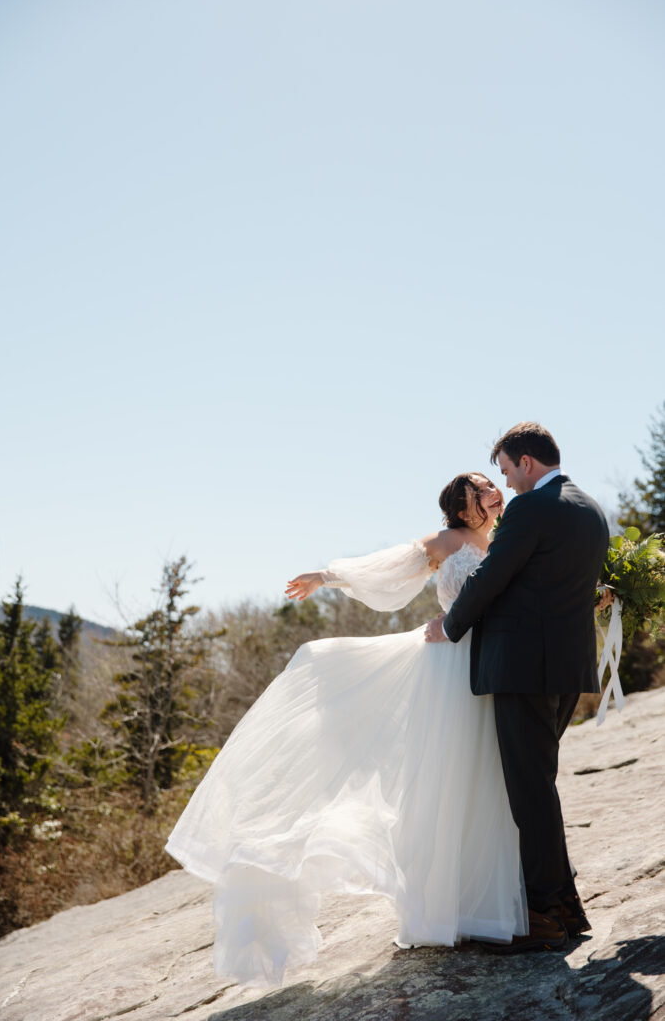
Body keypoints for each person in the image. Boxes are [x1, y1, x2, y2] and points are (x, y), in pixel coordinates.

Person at [165, 470, 531, 987]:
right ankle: (447, 911)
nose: (494, 492)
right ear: (462, 503)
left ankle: (493, 899)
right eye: (482, 488)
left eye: (495, 484)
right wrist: (326, 575)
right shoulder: (446, 541)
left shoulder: (505, 537)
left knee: (488, 778)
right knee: (447, 781)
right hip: (448, 666)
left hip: (492, 662)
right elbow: (385, 569)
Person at [426, 422, 609, 953]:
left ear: (527, 463)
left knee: (529, 792)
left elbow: (491, 577)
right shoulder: (590, 508)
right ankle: (565, 908)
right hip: (565, 670)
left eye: (506, 470)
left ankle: (546, 913)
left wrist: (450, 625)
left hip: (521, 668)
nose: (505, 483)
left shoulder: (531, 509)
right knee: (540, 786)